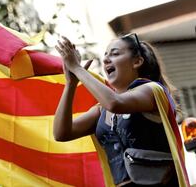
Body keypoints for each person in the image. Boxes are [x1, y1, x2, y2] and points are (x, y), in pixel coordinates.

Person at [53, 33, 184, 186]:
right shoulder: (102, 110)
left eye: (115, 54)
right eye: (105, 55)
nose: (106, 59)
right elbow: (61, 133)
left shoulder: (152, 91)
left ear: (137, 62)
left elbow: (115, 103)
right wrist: (71, 83)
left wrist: (77, 68)